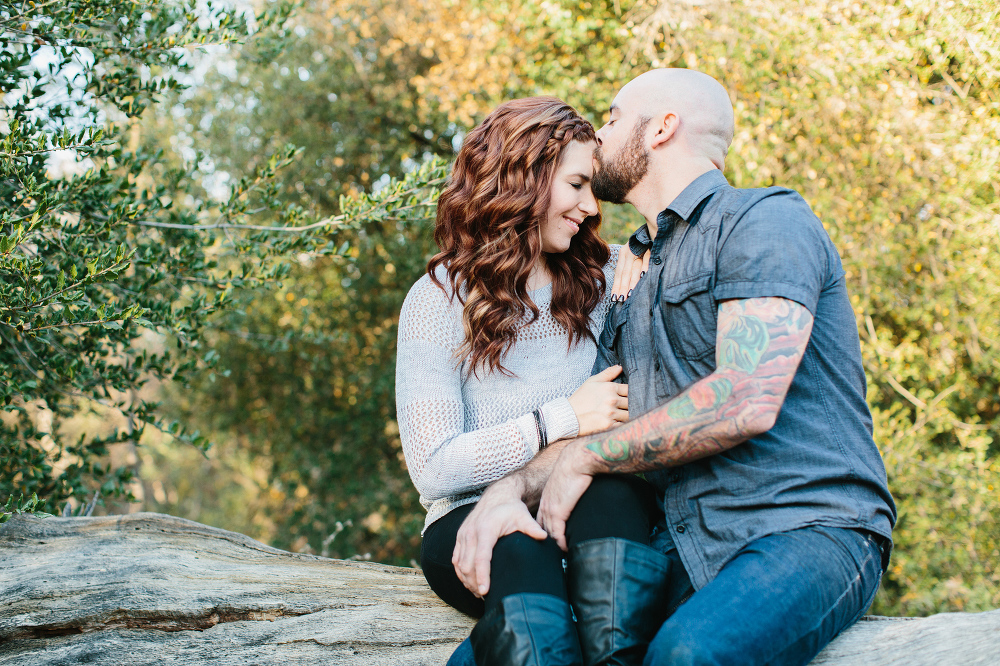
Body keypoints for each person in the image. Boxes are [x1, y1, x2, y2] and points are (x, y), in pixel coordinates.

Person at [452, 69, 897, 666]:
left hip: (808, 526)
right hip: (687, 542)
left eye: (611, 118)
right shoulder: (631, 276)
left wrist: (588, 458)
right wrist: (504, 493)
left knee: (687, 656)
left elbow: (746, 397)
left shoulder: (763, 220)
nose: (599, 135)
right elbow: (595, 426)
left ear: (662, 128)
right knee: (507, 652)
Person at [395, 97, 658, 666]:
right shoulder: (438, 300)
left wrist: (643, 243)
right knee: (523, 566)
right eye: (578, 185)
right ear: (526, 179)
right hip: (468, 515)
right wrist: (562, 417)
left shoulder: (605, 272)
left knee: (615, 520)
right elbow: (435, 467)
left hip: (586, 497)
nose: (591, 207)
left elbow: (689, 249)